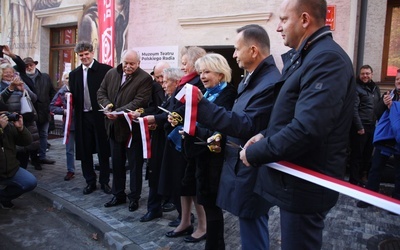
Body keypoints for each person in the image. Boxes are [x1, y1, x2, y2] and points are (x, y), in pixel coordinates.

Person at [239, 1, 355, 249]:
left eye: (283, 19)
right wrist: (265, 135)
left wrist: (256, 152)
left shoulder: (326, 59)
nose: (279, 28)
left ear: (304, 19)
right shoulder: (310, 55)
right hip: (295, 182)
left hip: (306, 185)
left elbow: (307, 129)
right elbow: (292, 115)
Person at [195, 25, 280, 249]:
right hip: (243, 166)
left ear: (253, 50)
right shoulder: (253, 79)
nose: (233, 55)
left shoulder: (269, 82)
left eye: (236, 49)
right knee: (249, 224)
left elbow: (246, 124)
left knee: (253, 227)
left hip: (252, 168)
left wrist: (201, 106)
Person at [182, 53, 237, 247]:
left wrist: (191, 129)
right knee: (206, 203)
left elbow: (219, 128)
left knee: (213, 207)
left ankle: (215, 245)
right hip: (201, 156)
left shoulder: (227, 95)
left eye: (207, 72)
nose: (202, 76)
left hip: (214, 160)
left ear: (220, 74)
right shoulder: (208, 93)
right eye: (200, 72)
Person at [98, 49, 152, 212]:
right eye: (126, 63)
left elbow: (140, 101)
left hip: (132, 129)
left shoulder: (144, 78)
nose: (128, 67)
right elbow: (101, 92)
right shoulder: (111, 73)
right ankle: (118, 194)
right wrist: (108, 105)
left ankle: (134, 197)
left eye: (132, 64)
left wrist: (118, 113)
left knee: (135, 166)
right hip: (114, 128)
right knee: (117, 163)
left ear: (138, 63)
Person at [69, 41, 113, 195]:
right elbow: (73, 95)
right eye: (81, 55)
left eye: (87, 54)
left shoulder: (105, 70)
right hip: (83, 116)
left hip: (100, 117)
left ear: (92, 53)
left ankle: (105, 181)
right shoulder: (74, 74)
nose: (84, 57)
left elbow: (111, 92)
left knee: (103, 150)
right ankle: (90, 181)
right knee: (85, 150)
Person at [357, 69, 400, 208]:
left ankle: (396, 202)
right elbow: (378, 113)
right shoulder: (389, 94)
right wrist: (383, 104)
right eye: (397, 79)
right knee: (375, 167)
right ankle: (369, 197)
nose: (398, 82)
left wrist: (392, 107)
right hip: (386, 139)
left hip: (399, 139)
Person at [138, 61, 171, 222]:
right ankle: (154, 207)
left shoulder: (176, 90)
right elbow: (153, 107)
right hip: (157, 136)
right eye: (156, 76)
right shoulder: (155, 87)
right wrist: (143, 114)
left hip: (170, 137)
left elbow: (174, 113)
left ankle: (179, 210)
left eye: (162, 77)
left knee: (168, 173)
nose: (159, 80)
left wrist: (155, 118)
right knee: (154, 172)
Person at [0, 63, 40, 171]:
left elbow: (34, 98)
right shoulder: (1, 85)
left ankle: (22, 172)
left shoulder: (20, 82)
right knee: (13, 149)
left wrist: (23, 90)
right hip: (8, 122)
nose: (9, 75)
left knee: (25, 148)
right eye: (6, 72)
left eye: (11, 72)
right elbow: (1, 99)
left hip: (25, 120)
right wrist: (11, 87)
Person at [0, 100, 37, 209]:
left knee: (30, 182)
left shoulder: (10, 127)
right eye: (1, 115)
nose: (5, 118)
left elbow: (27, 142)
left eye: (6, 114)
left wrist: (21, 128)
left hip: (11, 169)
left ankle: (3, 197)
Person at [349, 65, 381, 186]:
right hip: (360, 128)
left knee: (367, 154)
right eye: (363, 73)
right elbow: (354, 110)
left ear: (372, 74)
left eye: (367, 73)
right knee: (357, 155)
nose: (365, 76)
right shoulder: (356, 88)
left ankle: (363, 176)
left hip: (372, 126)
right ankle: (353, 180)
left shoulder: (375, 89)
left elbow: (378, 107)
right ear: (359, 75)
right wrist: (359, 127)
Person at [23, 56, 56, 165]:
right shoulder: (22, 79)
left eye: (31, 65)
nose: (29, 67)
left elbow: (52, 93)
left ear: (35, 64)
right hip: (30, 112)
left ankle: (42, 156)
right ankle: (32, 158)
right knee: (31, 136)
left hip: (44, 111)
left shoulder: (45, 77)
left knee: (43, 134)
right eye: (26, 66)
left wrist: (51, 106)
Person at [50, 72, 75, 181]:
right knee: (69, 149)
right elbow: (52, 107)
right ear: (63, 80)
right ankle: (71, 170)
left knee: (86, 147)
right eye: (66, 78)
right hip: (68, 124)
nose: (69, 80)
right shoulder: (61, 92)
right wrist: (63, 111)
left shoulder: (78, 89)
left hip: (81, 123)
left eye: (70, 77)